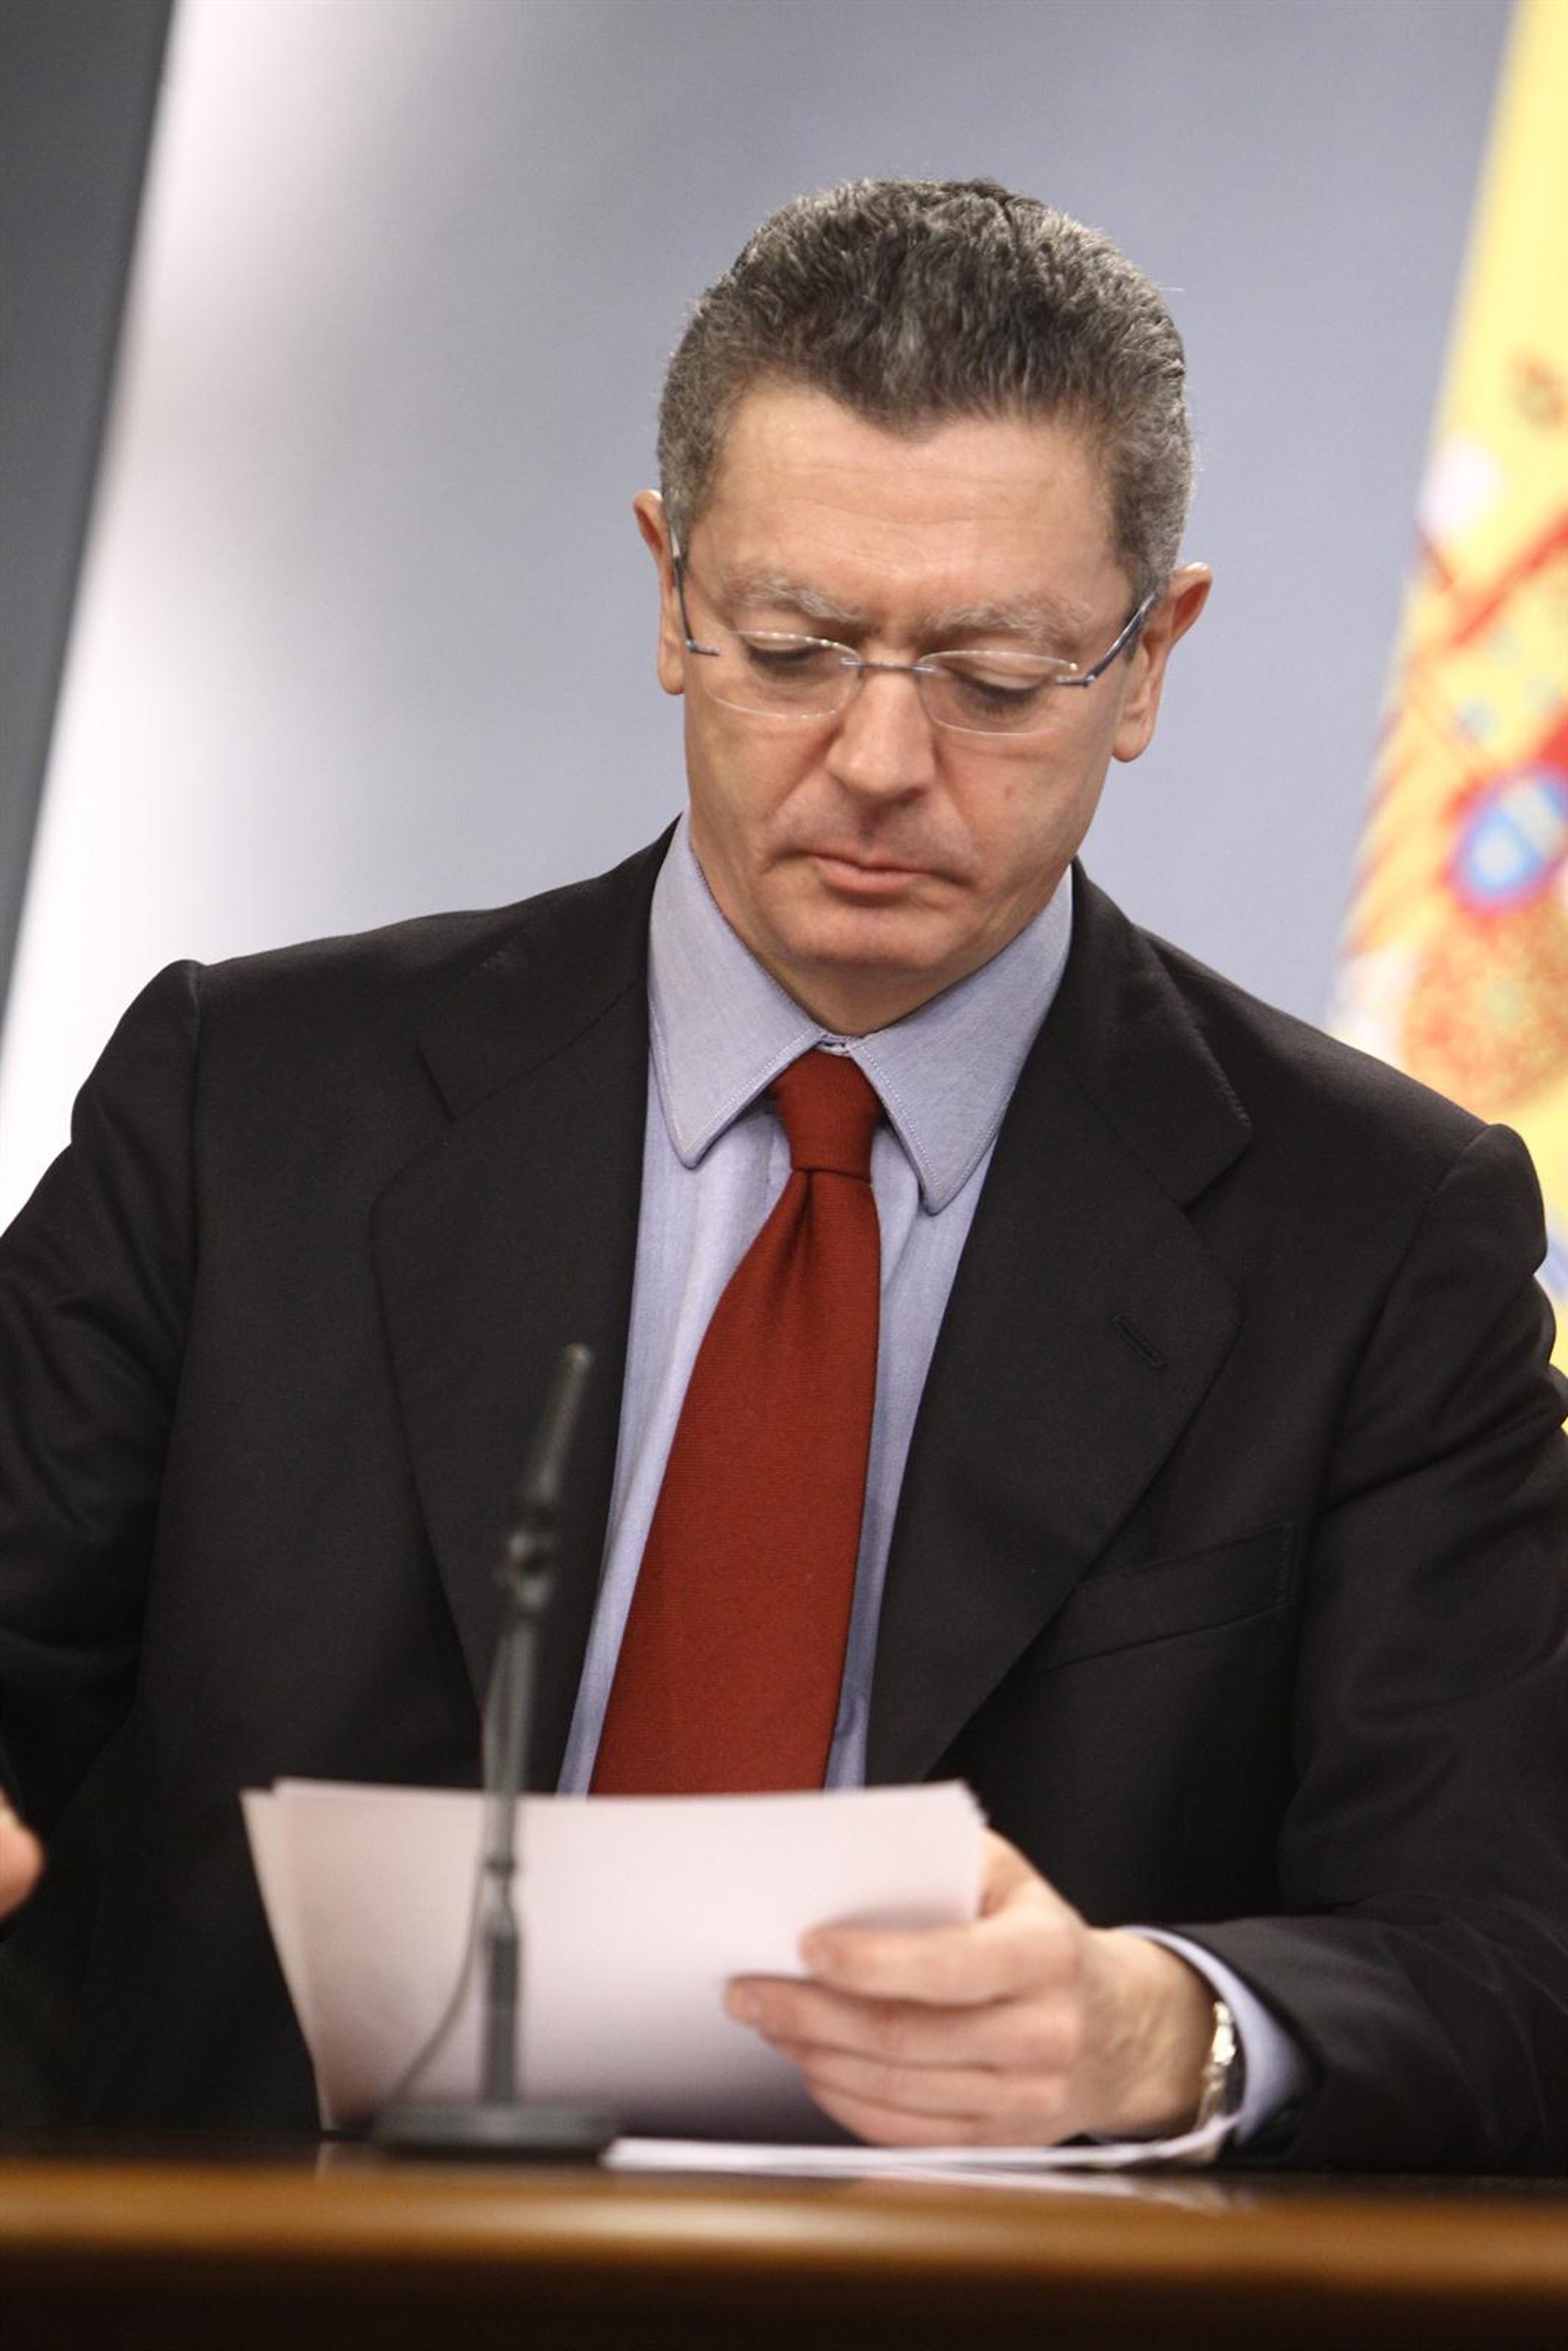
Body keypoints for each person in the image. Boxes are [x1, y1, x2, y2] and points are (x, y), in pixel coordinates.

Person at [1, 179, 1565, 2166]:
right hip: (258, 2270)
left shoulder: (1379, 1237)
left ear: (1150, 659)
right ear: (671, 594)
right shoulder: (247, 1108)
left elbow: (1508, 1952)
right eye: (797, 646)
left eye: (994, 677)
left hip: (980, 2294)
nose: (883, 760)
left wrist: (1167, 2031)